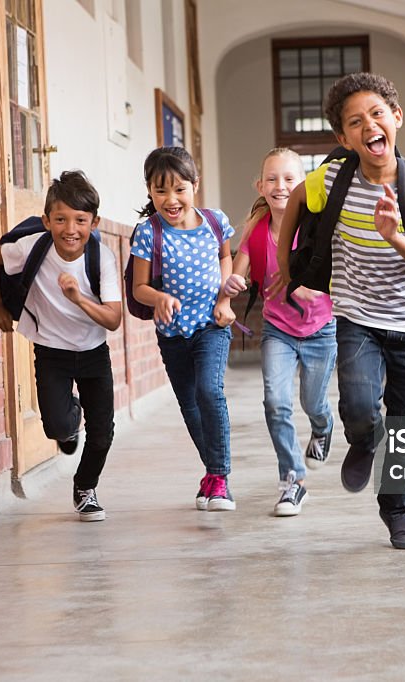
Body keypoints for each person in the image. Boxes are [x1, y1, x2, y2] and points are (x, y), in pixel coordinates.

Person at [273, 73, 405, 549]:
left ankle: (397, 512)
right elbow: (291, 203)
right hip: (359, 316)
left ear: (395, 118)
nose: (369, 125)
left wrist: (394, 235)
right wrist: (287, 265)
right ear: (343, 138)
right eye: (355, 121)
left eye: (376, 114)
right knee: (358, 404)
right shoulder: (331, 179)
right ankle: (365, 439)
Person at [0, 170, 122, 522]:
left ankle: (85, 488)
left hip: (93, 352)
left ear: (94, 222)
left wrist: (78, 298)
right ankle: (68, 418)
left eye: (80, 220)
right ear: (47, 220)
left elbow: (113, 319)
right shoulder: (33, 247)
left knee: (102, 433)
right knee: (57, 428)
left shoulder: (101, 258)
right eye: (60, 219)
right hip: (51, 351)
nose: (70, 229)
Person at [222, 148, 336, 517]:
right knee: (276, 401)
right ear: (260, 185)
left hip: (320, 328)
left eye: (289, 179)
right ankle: (292, 480)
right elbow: (238, 273)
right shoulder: (256, 228)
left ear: (303, 184)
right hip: (278, 330)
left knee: (312, 402)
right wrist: (233, 284)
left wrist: (309, 288)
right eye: (271, 179)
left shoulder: (315, 226)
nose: (280, 186)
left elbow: (339, 275)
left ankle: (322, 426)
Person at [130, 146, 238, 512]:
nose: (171, 199)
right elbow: (138, 288)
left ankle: (220, 478)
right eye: (161, 191)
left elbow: (226, 257)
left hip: (211, 325)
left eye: (179, 189)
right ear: (149, 191)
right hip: (172, 333)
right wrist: (158, 298)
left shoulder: (215, 221)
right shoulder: (148, 232)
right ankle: (211, 471)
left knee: (209, 391)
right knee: (190, 406)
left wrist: (225, 298)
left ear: (195, 184)